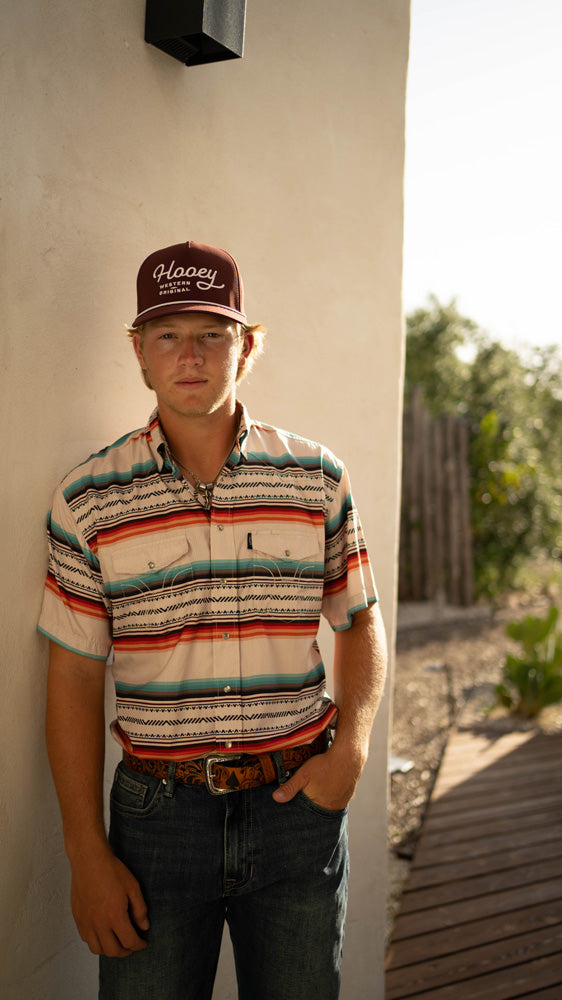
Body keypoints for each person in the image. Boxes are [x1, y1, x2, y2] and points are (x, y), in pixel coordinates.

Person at [39, 240, 388, 1000]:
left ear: (247, 346)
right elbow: (72, 675)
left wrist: (352, 752)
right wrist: (86, 855)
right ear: (139, 350)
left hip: (298, 809)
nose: (189, 355)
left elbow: (362, 621)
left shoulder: (316, 478)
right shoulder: (88, 500)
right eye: (167, 334)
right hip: (155, 824)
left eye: (212, 333)